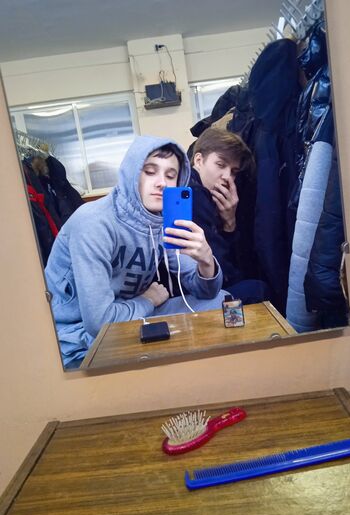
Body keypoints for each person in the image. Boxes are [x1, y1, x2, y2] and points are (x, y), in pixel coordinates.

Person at [45, 135, 226, 369]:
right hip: (79, 338)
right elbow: (99, 324)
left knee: (220, 301)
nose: (162, 183)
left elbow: (207, 292)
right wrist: (148, 300)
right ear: (132, 174)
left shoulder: (163, 220)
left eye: (170, 175)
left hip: (131, 313)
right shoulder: (93, 223)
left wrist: (206, 261)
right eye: (150, 172)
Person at [189, 128, 270, 304]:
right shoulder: (194, 194)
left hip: (198, 287)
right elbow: (225, 274)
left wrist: (229, 222)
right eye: (220, 164)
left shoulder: (209, 195)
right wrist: (230, 226)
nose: (227, 177)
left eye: (233, 171)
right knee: (257, 290)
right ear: (199, 160)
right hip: (194, 292)